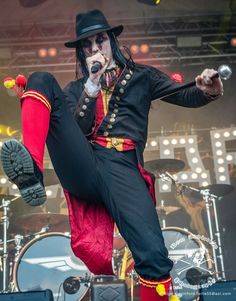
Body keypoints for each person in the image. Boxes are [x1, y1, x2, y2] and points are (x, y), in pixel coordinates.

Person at [1, 9, 223, 301]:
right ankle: (32, 172)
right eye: (87, 45)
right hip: (85, 163)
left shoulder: (143, 76)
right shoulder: (76, 89)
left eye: (100, 40)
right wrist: (91, 86)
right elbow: (78, 129)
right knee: (40, 79)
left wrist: (211, 89)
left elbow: (186, 95)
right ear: (82, 52)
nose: (94, 48)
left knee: (154, 256)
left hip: (124, 168)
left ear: (111, 41)